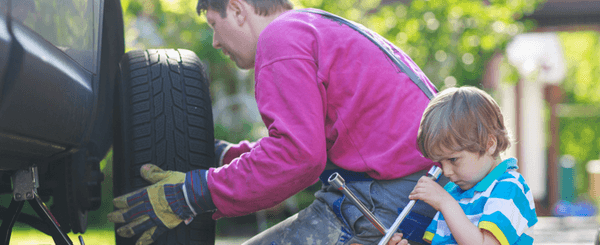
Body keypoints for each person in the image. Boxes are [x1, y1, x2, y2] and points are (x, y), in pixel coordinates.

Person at [107, 0, 447, 244]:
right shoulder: (313, 26)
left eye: (214, 23)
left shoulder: (280, 39)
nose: (215, 41)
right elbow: (309, 142)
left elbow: (298, 157)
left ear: (238, 10)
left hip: (393, 201)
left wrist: (191, 194)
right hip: (421, 191)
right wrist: (229, 157)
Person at [386, 86, 538, 245]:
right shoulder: (456, 193)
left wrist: (446, 204)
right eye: (440, 162)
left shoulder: (509, 188)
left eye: (453, 160)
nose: (446, 171)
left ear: (489, 144)